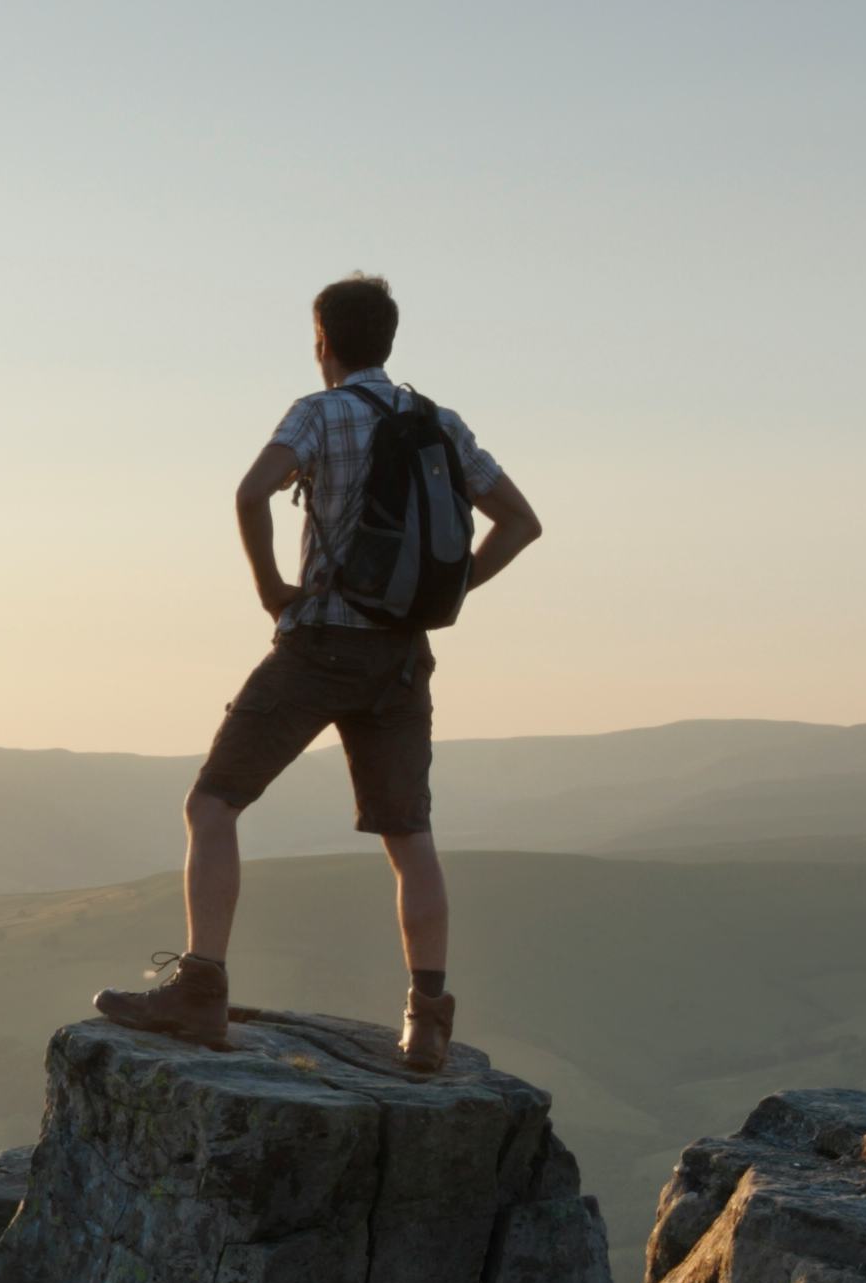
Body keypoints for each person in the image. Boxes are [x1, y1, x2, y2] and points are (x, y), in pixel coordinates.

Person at [94, 273, 540, 1074]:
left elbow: (251, 492)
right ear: (390, 341)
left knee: (212, 802)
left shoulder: (318, 411)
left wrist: (271, 589)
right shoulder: (440, 423)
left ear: (323, 342)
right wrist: (447, 590)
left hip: (322, 641)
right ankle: (428, 1020)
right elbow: (521, 522)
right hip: (402, 657)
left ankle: (201, 990)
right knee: (410, 839)